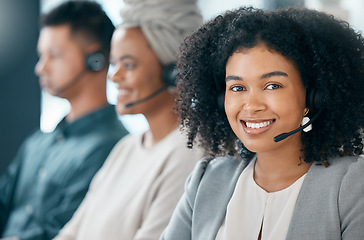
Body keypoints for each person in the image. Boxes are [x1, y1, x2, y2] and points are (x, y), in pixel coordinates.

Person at [161, 7, 364, 240]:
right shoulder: (207, 180)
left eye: (272, 86)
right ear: (221, 99)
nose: (251, 105)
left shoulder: (351, 186)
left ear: (313, 96)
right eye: (237, 88)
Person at [53, 0, 203, 239]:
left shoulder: (188, 153)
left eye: (129, 65)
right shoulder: (125, 150)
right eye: (114, 63)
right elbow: (71, 233)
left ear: (174, 73)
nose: (114, 76)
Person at [0, 1, 129, 239]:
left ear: (96, 59)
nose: (40, 68)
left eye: (54, 55)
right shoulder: (37, 142)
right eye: (41, 55)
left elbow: (64, 232)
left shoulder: (114, 148)